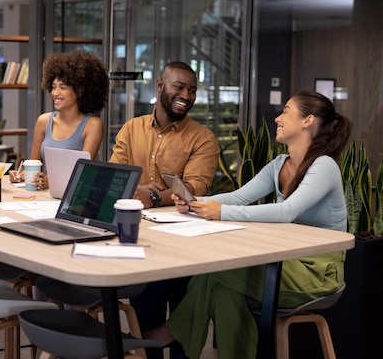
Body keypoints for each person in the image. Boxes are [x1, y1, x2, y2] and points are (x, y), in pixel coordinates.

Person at [145, 91, 352, 359]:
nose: (278, 118)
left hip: (316, 271)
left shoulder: (324, 166)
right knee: (223, 294)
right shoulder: (280, 164)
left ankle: (168, 332)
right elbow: (238, 197)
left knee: (215, 271)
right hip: (284, 260)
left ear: (307, 121)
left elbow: (287, 211)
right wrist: (195, 202)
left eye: (286, 111)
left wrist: (221, 212)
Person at [109, 61, 220, 359]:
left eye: (192, 90)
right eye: (179, 87)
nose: (186, 95)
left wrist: (155, 198)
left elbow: (194, 187)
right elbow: (117, 175)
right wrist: (141, 192)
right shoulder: (132, 129)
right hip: (144, 240)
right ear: (160, 86)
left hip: (186, 243)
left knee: (183, 329)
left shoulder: (203, 139)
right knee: (145, 322)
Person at [9, 49, 109, 189]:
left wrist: (51, 181)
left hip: (74, 196)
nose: (55, 93)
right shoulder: (43, 121)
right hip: (44, 196)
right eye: (53, 87)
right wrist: (21, 175)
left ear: (80, 90)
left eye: (63, 87)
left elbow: (83, 173)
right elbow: (33, 166)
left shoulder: (93, 125)